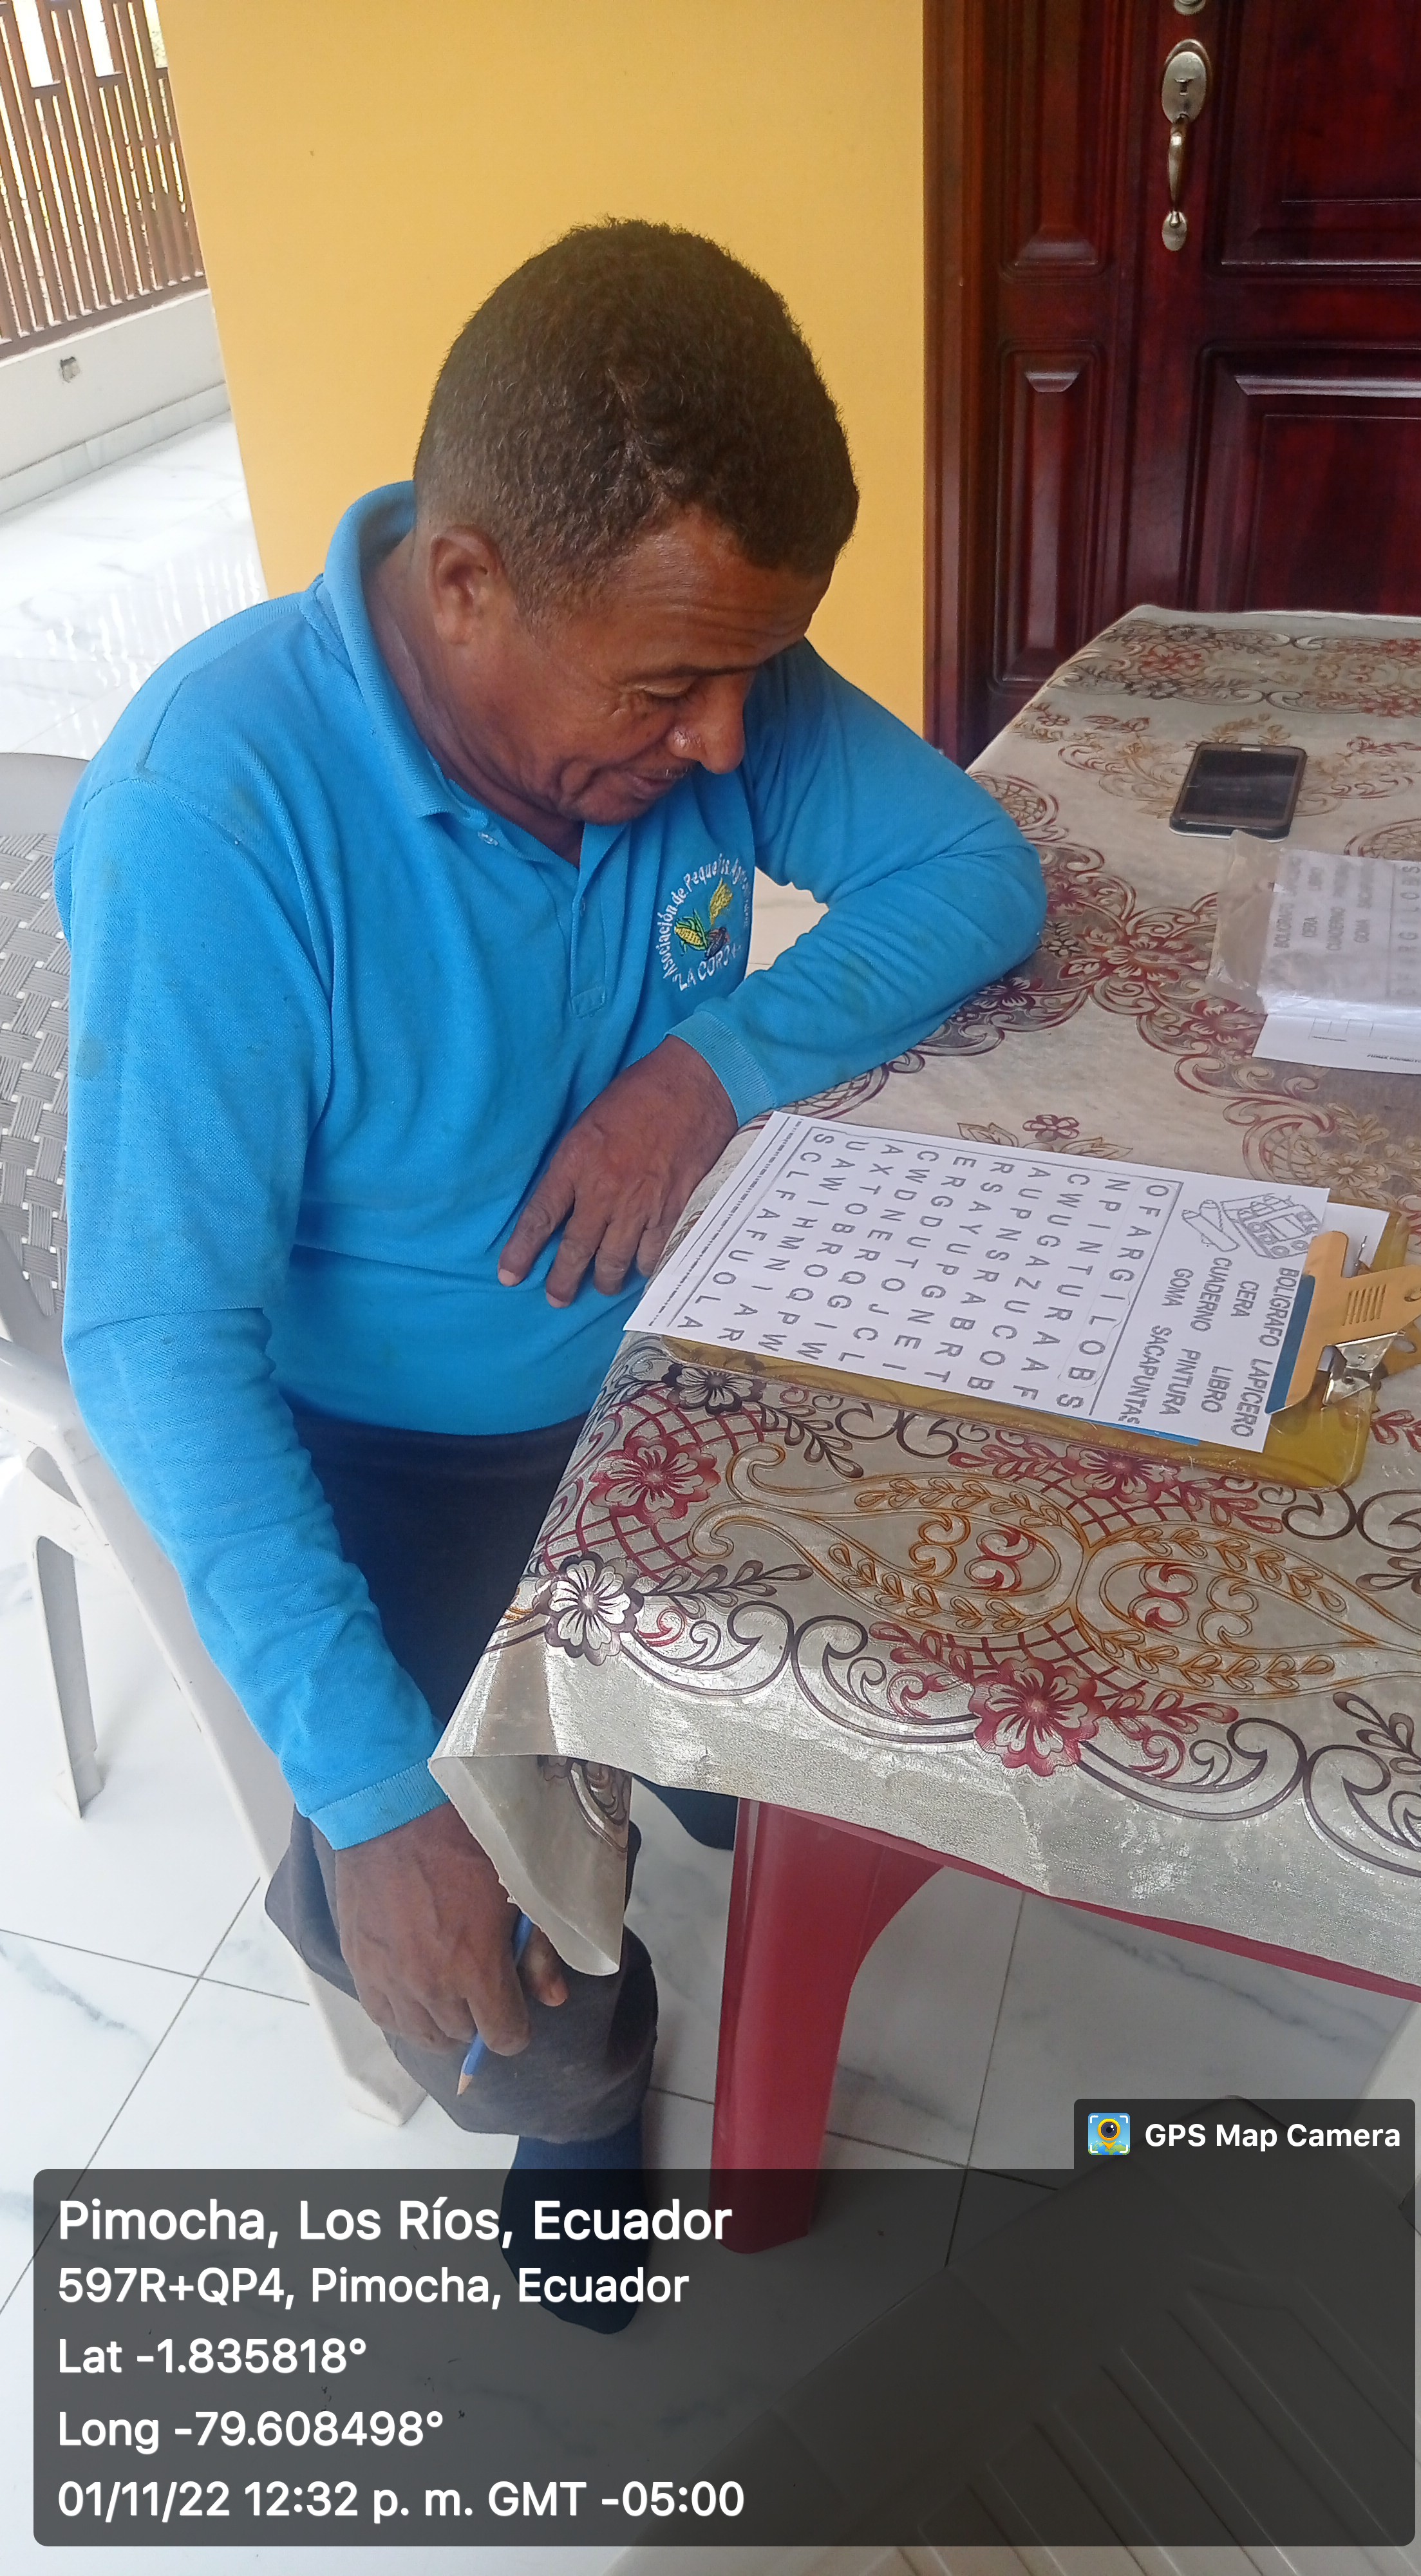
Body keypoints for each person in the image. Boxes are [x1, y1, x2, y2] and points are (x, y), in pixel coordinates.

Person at [57, 222, 1045, 2179]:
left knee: (906, 1675)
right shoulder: (215, 812)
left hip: (675, 1369)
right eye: (672, 688)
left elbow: (974, 875)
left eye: (752, 676)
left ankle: (703, 1782)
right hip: (403, 1448)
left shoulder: (694, 678)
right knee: (511, 1998)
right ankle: (583, 2124)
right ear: (465, 586)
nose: (728, 744)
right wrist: (368, 1801)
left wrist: (704, 1072)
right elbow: (156, 1341)